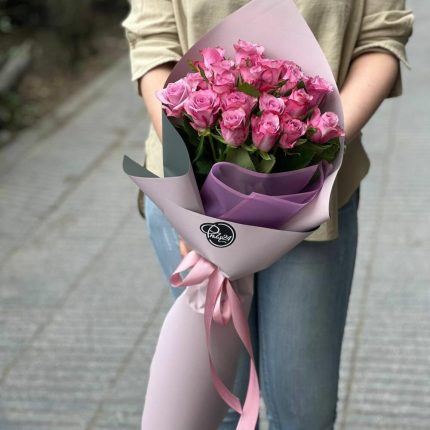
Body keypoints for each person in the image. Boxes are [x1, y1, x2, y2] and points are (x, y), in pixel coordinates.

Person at [121, 1, 413, 428]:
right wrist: (194, 198)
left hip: (313, 198)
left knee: (303, 413)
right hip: (191, 188)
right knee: (218, 405)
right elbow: (153, 41)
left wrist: (317, 145)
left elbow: (381, 37)